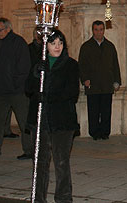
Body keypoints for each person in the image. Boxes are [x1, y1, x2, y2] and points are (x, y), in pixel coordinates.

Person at [26, 29, 79, 203]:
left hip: (62, 121)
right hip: (40, 120)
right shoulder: (39, 64)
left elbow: (71, 92)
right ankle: (38, 197)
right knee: (40, 162)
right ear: (46, 45)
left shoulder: (71, 65)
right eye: (53, 43)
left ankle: (63, 198)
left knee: (61, 161)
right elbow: (28, 89)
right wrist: (35, 74)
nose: (57, 47)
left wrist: (48, 97)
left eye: (60, 43)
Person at [0, 17, 32, 159]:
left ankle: (30, 150)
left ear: (8, 29)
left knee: (24, 121)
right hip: (0, 90)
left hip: (17, 91)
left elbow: (24, 66)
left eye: (0, 30)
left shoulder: (18, 43)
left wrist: (16, 84)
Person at [78, 20, 121, 140]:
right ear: (93, 31)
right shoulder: (86, 47)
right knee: (93, 111)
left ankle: (105, 132)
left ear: (104, 30)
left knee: (106, 111)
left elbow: (115, 65)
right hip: (93, 84)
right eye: (96, 30)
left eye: (101, 30)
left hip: (107, 84)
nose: (99, 32)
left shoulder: (110, 46)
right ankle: (95, 133)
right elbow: (81, 65)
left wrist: (116, 81)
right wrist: (85, 79)